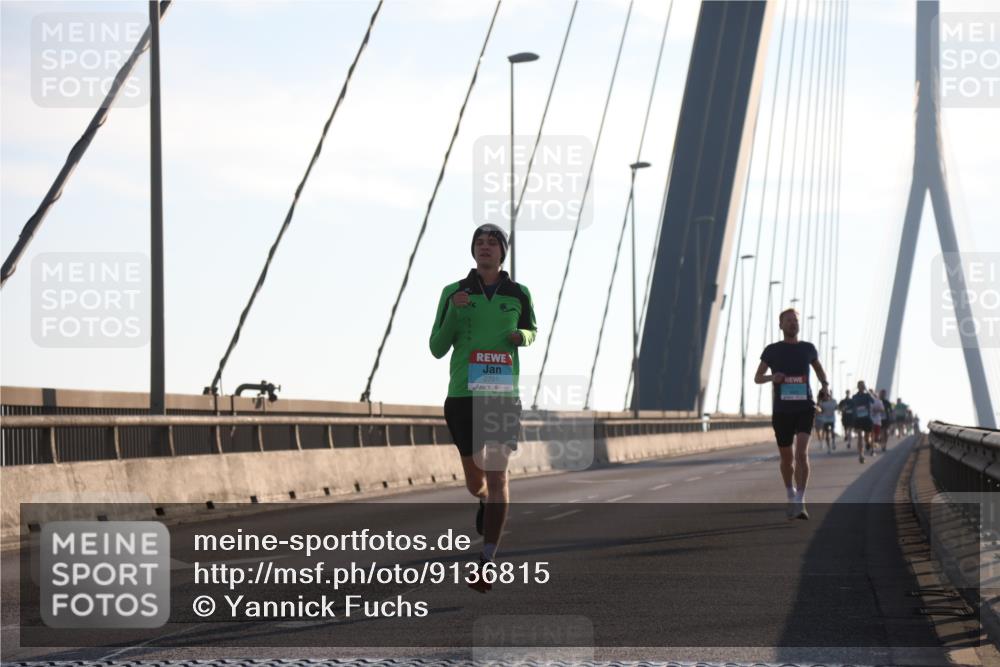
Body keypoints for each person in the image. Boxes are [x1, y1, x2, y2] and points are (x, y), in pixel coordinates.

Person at [429, 223, 537, 593]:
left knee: (498, 475)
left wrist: (520, 336)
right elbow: (437, 347)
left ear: (502, 252)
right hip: (462, 396)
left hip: (502, 396)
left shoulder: (518, 293)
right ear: (472, 250)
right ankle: (481, 500)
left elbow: (532, 331)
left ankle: (487, 560)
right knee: (476, 481)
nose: (485, 247)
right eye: (480, 242)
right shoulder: (453, 292)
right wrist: (455, 314)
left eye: (493, 243)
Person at [754, 308, 830, 520]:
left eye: (795, 320)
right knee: (787, 459)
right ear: (781, 325)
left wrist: (825, 385)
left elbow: (819, 370)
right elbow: (757, 377)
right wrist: (772, 378)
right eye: (788, 321)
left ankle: (801, 499)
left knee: (802, 453)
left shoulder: (808, 348)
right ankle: (790, 493)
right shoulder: (772, 350)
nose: (792, 324)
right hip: (782, 411)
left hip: (805, 407)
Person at [851, 381, 876, 463]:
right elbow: (852, 406)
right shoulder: (854, 396)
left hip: (866, 418)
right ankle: (861, 455)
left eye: (863, 386)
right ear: (858, 387)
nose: (861, 387)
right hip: (858, 419)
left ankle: (868, 443)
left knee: (866, 437)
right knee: (859, 437)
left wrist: (868, 391)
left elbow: (874, 401)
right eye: (860, 386)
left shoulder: (867, 395)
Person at [815, 387, 838, 453]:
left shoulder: (833, 401)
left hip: (832, 419)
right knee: (827, 433)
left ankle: (833, 442)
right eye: (825, 395)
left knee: (832, 431)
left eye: (827, 395)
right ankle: (828, 448)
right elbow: (819, 410)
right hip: (825, 419)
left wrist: (838, 408)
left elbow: (837, 408)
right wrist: (819, 409)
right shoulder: (822, 402)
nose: (826, 396)